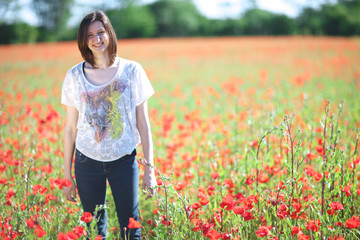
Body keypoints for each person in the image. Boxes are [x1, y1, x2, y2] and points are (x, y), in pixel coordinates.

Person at [61, 10, 156, 240]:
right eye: (90, 35)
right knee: (94, 230)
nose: (97, 39)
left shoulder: (132, 71)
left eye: (101, 32)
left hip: (124, 160)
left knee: (130, 228)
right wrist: (66, 175)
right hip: (86, 162)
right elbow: (70, 129)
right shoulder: (74, 75)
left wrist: (149, 169)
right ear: (84, 40)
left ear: (109, 34)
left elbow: (143, 123)